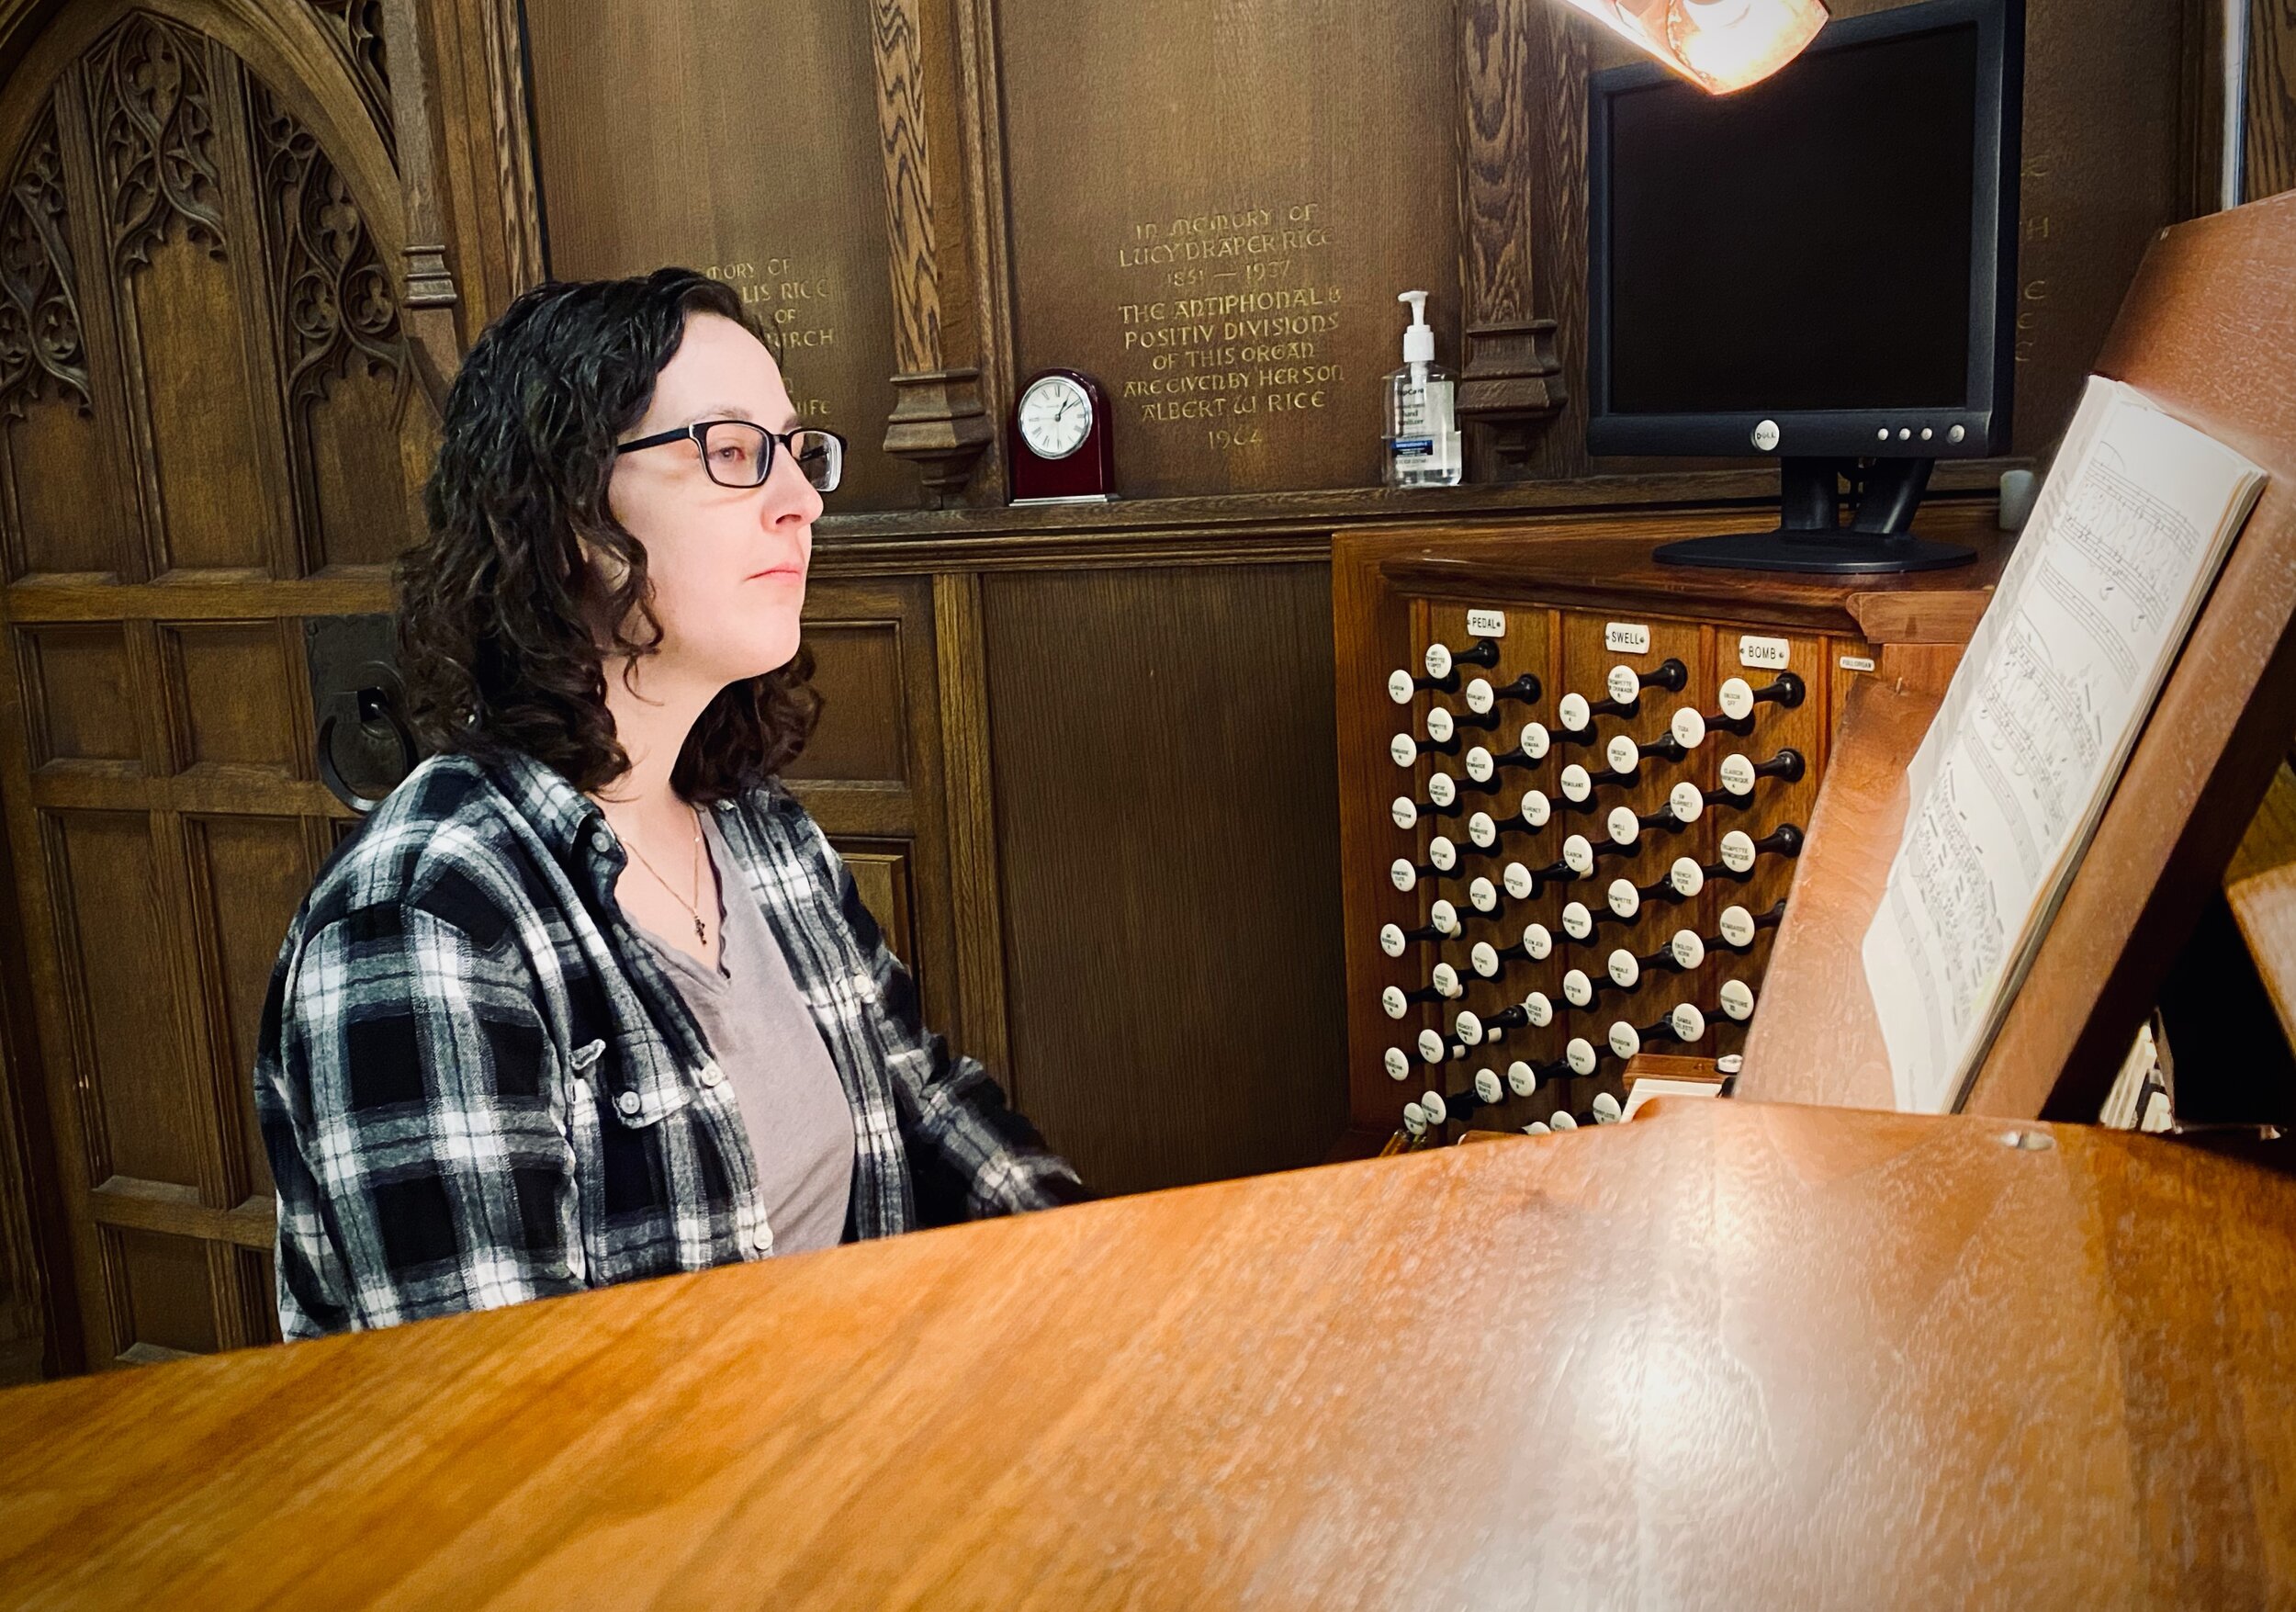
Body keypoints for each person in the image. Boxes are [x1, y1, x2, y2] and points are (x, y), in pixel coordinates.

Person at [253, 268, 1086, 1337]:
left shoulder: (760, 826)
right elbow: (508, 1416)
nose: (803, 498)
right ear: (567, 523)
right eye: (734, 453)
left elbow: (930, 1114)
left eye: (794, 451)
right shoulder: (423, 924)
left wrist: (1114, 1296)